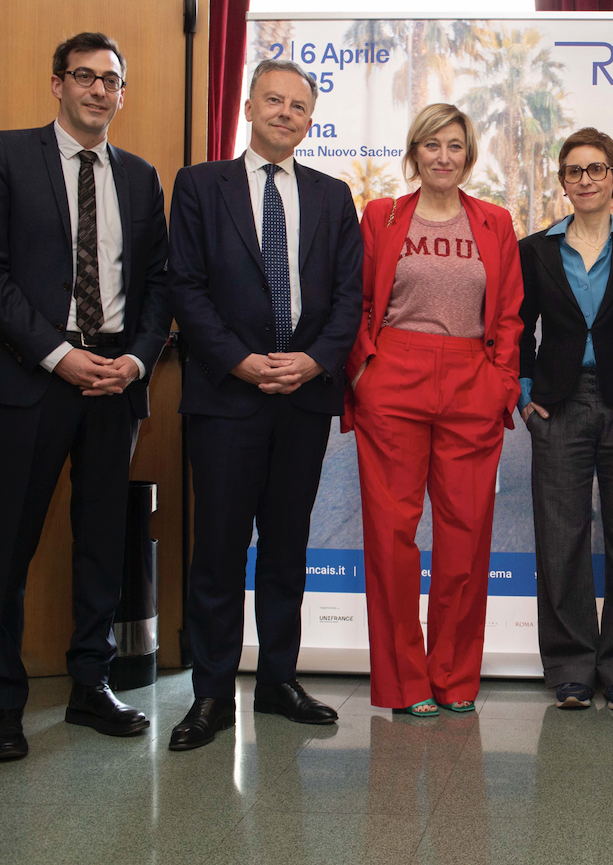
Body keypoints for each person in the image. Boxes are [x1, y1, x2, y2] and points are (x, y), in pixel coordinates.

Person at [0, 32, 170, 762]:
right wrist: (58, 356)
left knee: (100, 542)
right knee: (12, 543)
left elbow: (160, 287)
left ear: (121, 93)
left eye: (111, 80)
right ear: (57, 84)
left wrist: (138, 360)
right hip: (33, 380)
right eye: (84, 76)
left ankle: (90, 685)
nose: (97, 90)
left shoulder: (142, 179)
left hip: (115, 382)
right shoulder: (5, 154)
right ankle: (3, 705)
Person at [166, 59, 363, 750]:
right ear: (248, 105)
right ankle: (212, 693)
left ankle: (279, 678)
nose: (285, 113)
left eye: (298, 106)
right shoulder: (199, 186)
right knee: (219, 552)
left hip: (303, 399)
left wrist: (313, 362)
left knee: (286, 549)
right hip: (227, 398)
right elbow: (184, 288)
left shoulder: (335, 197)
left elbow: (349, 300)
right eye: (273, 100)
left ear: (311, 119)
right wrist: (240, 361)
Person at [345, 103, 523, 717]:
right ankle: (405, 682)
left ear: (468, 155)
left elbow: (508, 314)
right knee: (392, 534)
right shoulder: (383, 215)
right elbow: (359, 299)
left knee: (466, 535)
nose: (443, 156)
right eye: (432, 145)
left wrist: (502, 382)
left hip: (472, 378)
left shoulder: (496, 222)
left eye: (455, 146)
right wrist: (365, 371)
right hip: (394, 376)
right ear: (415, 151)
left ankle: (453, 678)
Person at [518, 128, 613, 710]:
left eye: (597, 170)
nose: (586, 180)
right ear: (563, 181)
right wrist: (524, 393)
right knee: (562, 539)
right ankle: (570, 666)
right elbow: (515, 327)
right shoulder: (536, 250)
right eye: (575, 171)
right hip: (559, 404)